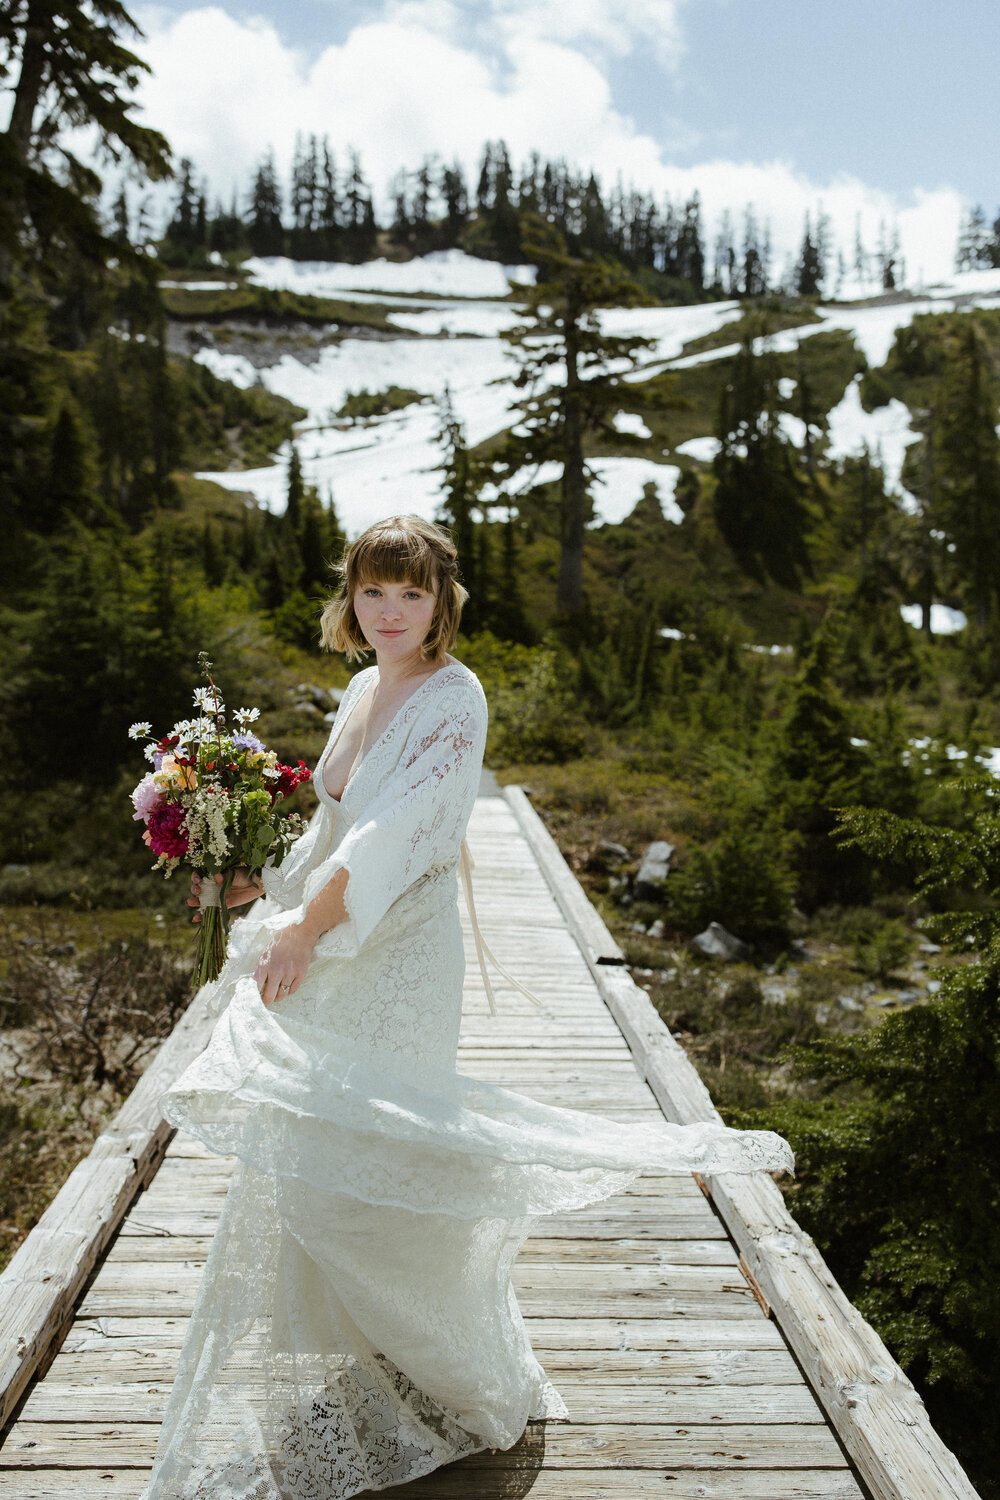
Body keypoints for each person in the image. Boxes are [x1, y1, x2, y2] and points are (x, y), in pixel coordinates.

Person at [144, 514, 792, 1500]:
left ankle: (453, 1371)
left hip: (395, 952)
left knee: (379, 1153)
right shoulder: (363, 687)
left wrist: (309, 928)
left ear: (442, 600)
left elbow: (398, 834)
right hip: (332, 941)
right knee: (317, 1162)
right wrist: (263, 887)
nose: (390, 612)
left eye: (410, 594)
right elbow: (336, 826)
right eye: (373, 592)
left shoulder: (455, 697)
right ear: (349, 599)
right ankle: (360, 1367)